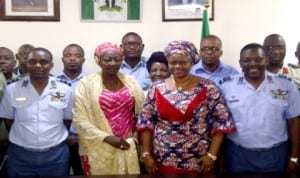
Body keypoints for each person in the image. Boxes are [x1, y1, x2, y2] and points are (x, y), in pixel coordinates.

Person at [136, 40, 235, 174]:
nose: (177, 66)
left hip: (198, 160)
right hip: (162, 159)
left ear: (192, 62)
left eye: (183, 62)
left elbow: (222, 121)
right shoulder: (157, 87)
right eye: (173, 63)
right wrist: (146, 154)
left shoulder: (208, 87)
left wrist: (212, 155)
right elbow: (146, 121)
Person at [219, 43, 300, 173]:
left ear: (266, 60)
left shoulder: (286, 85)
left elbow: (294, 120)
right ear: (240, 63)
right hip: (237, 154)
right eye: (247, 60)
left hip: (276, 154)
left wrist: (294, 156)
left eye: (258, 59)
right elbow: (221, 122)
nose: (253, 63)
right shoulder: (227, 86)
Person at [73, 42, 145, 175]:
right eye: (107, 60)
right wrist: (107, 138)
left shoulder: (131, 81)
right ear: (98, 61)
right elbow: (79, 119)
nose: (112, 63)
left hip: (126, 145)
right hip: (98, 146)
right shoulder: (86, 84)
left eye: (117, 59)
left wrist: (136, 134)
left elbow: (142, 112)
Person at [0, 47, 73, 177]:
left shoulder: (64, 89)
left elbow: (67, 120)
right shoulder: (12, 88)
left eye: (43, 62)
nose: (38, 65)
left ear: (51, 65)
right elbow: (8, 120)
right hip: (20, 155)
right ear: (26, 64)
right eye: (32, 62)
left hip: (56, 155)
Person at [56, 43, 86, 175]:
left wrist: (82, 136)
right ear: (62, 59)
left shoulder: (92, 82)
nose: (72, 59)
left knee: (84, 173)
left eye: (77, 56)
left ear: (83, 60)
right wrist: (65, 135)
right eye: (68, 55)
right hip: (58, 140)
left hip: (85, 140)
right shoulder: (52, 82)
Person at [0, 47, 18, 177]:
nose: (2, 61)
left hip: (15, 142)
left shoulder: (22, 82)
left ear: (14, 62)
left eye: (7, 58)